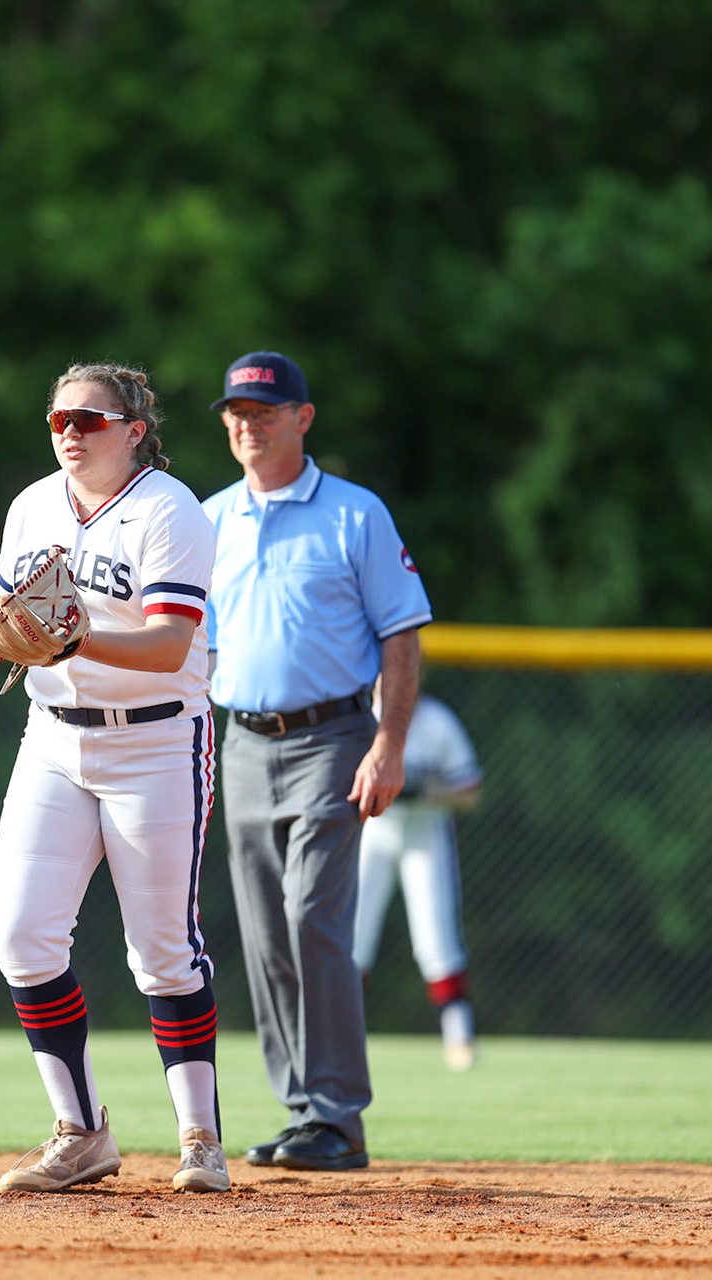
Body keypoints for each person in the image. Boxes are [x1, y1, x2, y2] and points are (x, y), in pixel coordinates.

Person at [0, 362, 227, 1194]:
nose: (69, 433)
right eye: (58, 420)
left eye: (88, 420)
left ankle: (200, 1139)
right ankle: (81, 1133)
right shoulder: (33, 505)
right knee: (22, 938)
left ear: (134, 432)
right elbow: (4, 605)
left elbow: (168, 645)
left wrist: (71, 639)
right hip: (53, 739)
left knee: (163, 953)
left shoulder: (170, 511)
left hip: (156, 744)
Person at [202, 351, 432, 1172]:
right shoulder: (209, 518)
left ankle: (337, 1115)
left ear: (302, 418)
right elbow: (192, 645)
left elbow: (401, 635)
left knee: (310, 917)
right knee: (266, 933)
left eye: (265, 411)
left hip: (333, 740)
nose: (248, 425)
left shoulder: (354, 514)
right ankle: (304, 1112)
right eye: (237, 412)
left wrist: (389, 743)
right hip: (241, 741)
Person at [354, 692, 483, 1071]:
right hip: (372, 831)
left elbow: (471, 791)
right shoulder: (361, 714)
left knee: (437, 940)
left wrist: (429, 791)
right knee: (352, 941)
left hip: (424, 833)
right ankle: (341, 1039)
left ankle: (459, 1039)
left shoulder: (437, 721)